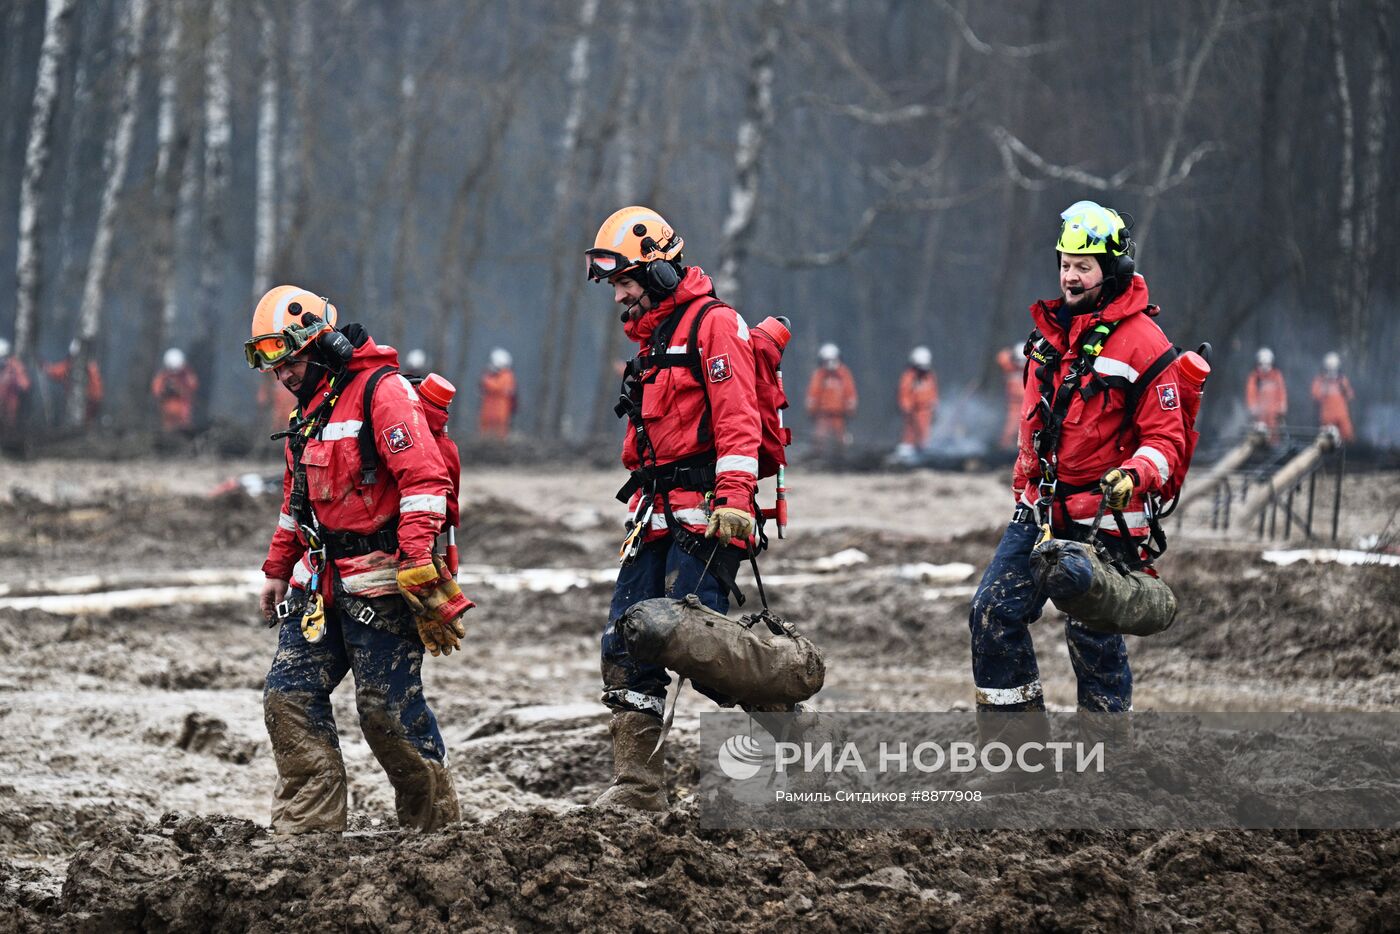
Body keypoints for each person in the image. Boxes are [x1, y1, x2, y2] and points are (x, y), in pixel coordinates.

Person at [968, 200, 1189, 784]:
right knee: (992, 610)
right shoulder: (1047, 336)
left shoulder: (1143, 343)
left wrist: (1133, 476)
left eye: (1085, 266)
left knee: (1093, 632)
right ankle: (1019, 760)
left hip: (1106, 519)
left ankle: (1106, 761)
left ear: (1111, 269)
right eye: (1066, 262)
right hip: (1040, 512)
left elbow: (1166, 440)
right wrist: (1023, 491)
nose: (1070, 275)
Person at [245, 283, 471, 833]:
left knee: (385, 714)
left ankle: (434, 834)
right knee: (288, 696)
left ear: (318, 345)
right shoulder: (308, 413)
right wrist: (277, 569)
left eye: (290, 362)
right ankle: (308, 834)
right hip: (318, 583)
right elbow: (294, 499)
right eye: (274, 369)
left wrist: (417, 556)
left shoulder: (382, 392)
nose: (284, 376)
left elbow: (424, 481)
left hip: (383, 582)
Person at [585, 205, 760, 811]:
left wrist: (735, 498)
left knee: (697, 647)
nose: (618, 298)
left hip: (709, 515)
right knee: (626, 638)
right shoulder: (654, 341)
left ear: (658, 273)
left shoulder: (715, 326)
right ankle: (638, 786)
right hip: (655, 515)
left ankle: (781, 720)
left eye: (625, 283)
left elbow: (741, 417)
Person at [805, 343, 857, 447]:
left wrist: (850, 410)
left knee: (840, 439)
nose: (830, 363)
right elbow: (813, 395)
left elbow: (850, 393)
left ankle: (840, 458)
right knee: (820, 439)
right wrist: (811, 410)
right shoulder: (819, 375)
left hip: (839, 415)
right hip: (822, 415)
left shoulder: (844, 374)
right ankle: (820, 459)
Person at [43, 339, 103, 425]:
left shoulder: (87, 366)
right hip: (90, 399)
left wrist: (48, 369)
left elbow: (59, 371)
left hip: (89, 399)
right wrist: (48, 369)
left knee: (83, 420)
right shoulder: (81, 364)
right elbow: (58, 371)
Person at [896, 345, 938, 457]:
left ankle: (924, 452)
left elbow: (933, 391)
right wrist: (907, 407)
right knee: (911, 432)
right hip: (913, 411)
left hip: (926, 411)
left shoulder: (930, 376)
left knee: (925, 433)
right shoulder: (908, 377)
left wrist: (934, 404)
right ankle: (907, 452)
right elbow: (904, 393)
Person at [151, 347, 199, 434]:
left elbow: (192, 387)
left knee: (184, 428)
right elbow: (157, 390)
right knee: (168, 428)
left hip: (182, 407)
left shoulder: (187, 375)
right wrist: (165, 391)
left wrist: (179, 389)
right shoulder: (163, 376)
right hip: (168, 407)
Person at [1245, 347, 1287, 443]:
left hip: (1274, 416)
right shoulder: (1254, 377)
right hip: (1259, 416)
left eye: (1267, 364)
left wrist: (1282, 407)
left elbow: (1282, 392)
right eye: (1261, 364)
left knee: (1274, 438)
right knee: (1258, 437)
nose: (1264, 366)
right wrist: (1253, 408)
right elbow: (1250, 394)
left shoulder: (1276, 376)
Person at [1311, 351, 1355, 443]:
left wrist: (1343, 388)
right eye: (1330, 367)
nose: (1331, 370)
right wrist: (1325, 387)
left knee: (1348, 437)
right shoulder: (1320, 380)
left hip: (1342, 416)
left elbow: (1350, 396)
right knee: (1326, 441)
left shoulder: (1342, 380)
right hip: (1327, 417)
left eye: (1333, 367)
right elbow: (1315, 396)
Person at [478, 348, 517, 439]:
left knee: (500, 425)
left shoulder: (507, 375)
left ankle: (499, 441)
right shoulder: (496, 375)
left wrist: (486, 380)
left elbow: (497, 387)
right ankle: (484, 439)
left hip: (500, 406)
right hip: (490, 406)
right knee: (486, 423)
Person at [995, 344, 1027, 450]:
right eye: (1019, 360)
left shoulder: (1030, 368)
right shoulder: (1010, 367)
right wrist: (1011, 353)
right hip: (1013, 404)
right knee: (1010, 429)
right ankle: (1005, 449)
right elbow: (1001, 357)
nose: (1021, 363)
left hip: (1028, 403)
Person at [0, 338, 32, 438]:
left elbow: (24, 384)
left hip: (11, 399)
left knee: (9, 419)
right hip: (5, 398)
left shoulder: (14, 366)